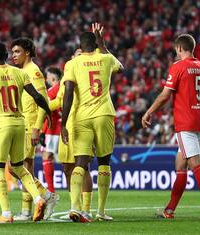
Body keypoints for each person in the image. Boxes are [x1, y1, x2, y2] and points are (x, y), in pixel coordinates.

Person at [142, 34, 200, 221]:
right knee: (181, 164)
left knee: (196, 163)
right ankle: (169, 210)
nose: (176, 54)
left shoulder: (178, 67)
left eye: (176, 51)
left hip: (185, 124)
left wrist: (149, 111)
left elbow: (164, 95)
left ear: (179, 48)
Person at [0, 42, 52, 223]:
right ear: (6, 55)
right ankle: (39, 199)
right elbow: (38, 96)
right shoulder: (20, 73)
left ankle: (6, 214)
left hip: (1, 124)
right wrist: (48, 113)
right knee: (18, 166)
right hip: (19, 124)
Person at [61, 23, 123, 222]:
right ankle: (101, 211)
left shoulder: (72, 64)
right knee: (104, 161)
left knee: (80, 162)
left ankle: (74, 207)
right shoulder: (105, 59)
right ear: (96, 44)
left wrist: (63, 124)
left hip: (82, 117)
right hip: (104, 114)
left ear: (80, 45)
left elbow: (68, 93)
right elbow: (121, 68)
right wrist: (102, 42)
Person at [11, 37, 59, 221]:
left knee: (14, 168)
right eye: (12, 52)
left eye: (17, 52)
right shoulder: (22, 70)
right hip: (23, 124)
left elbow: (43, 100)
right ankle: (26, 211)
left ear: (27, 53)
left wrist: (37, 128)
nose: (13, 55)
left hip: (29, 125)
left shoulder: (34, 71)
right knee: (26, 168)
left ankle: (47, 195)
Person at [48, 56, 94, 220]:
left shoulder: (90, 78)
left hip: (83, 124)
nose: (77, 58)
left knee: (83, 167)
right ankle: (76, 206)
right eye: (75, 55)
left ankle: (87, 208)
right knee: (68, 168)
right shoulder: (67, 77)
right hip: (67, 126)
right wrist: (42, 104)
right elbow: (59, 101)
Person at [40, 67, 62, 194]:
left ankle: (51, 190)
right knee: (70, 162)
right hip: (66, 127)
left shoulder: (52, 91)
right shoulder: (65, 87)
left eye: (47, 77)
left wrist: (42, 131)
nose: (46, 79)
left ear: (53, 78)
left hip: (53, 129)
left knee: (47, 156)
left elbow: (45, 111)